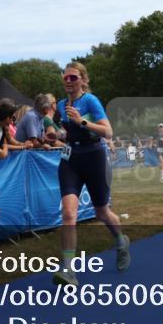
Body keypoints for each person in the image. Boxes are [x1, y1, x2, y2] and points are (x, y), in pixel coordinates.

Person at [53, 62, 129, 287]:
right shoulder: (60, 104)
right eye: (65, 78)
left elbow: (108, 131)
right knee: (68, 214)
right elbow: (66, 132)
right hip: (70, 159)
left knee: (102, 212)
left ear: (83, 80)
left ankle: (121, 241)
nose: (68, 81)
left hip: (94, 157)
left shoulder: (91, 101)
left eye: (73, 78)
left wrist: (82, 121)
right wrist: (57, 135)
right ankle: (68, 270)